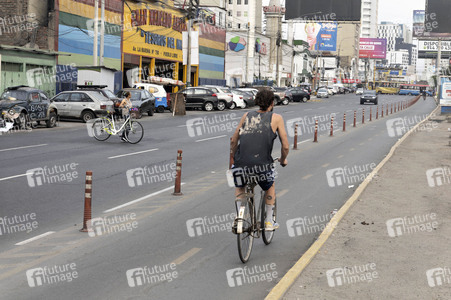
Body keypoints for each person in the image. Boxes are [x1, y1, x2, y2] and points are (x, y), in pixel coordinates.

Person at [230, 89, 289, 231]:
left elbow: (233, 140)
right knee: (270, 187)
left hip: (241, 164)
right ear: (272, 103)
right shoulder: (276, 118)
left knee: (240, 187)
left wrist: (234, 155)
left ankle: (239, 216)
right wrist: (283, 159)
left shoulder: (246, 115)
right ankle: (269, 221)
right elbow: (285, 146)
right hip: (262, 165)